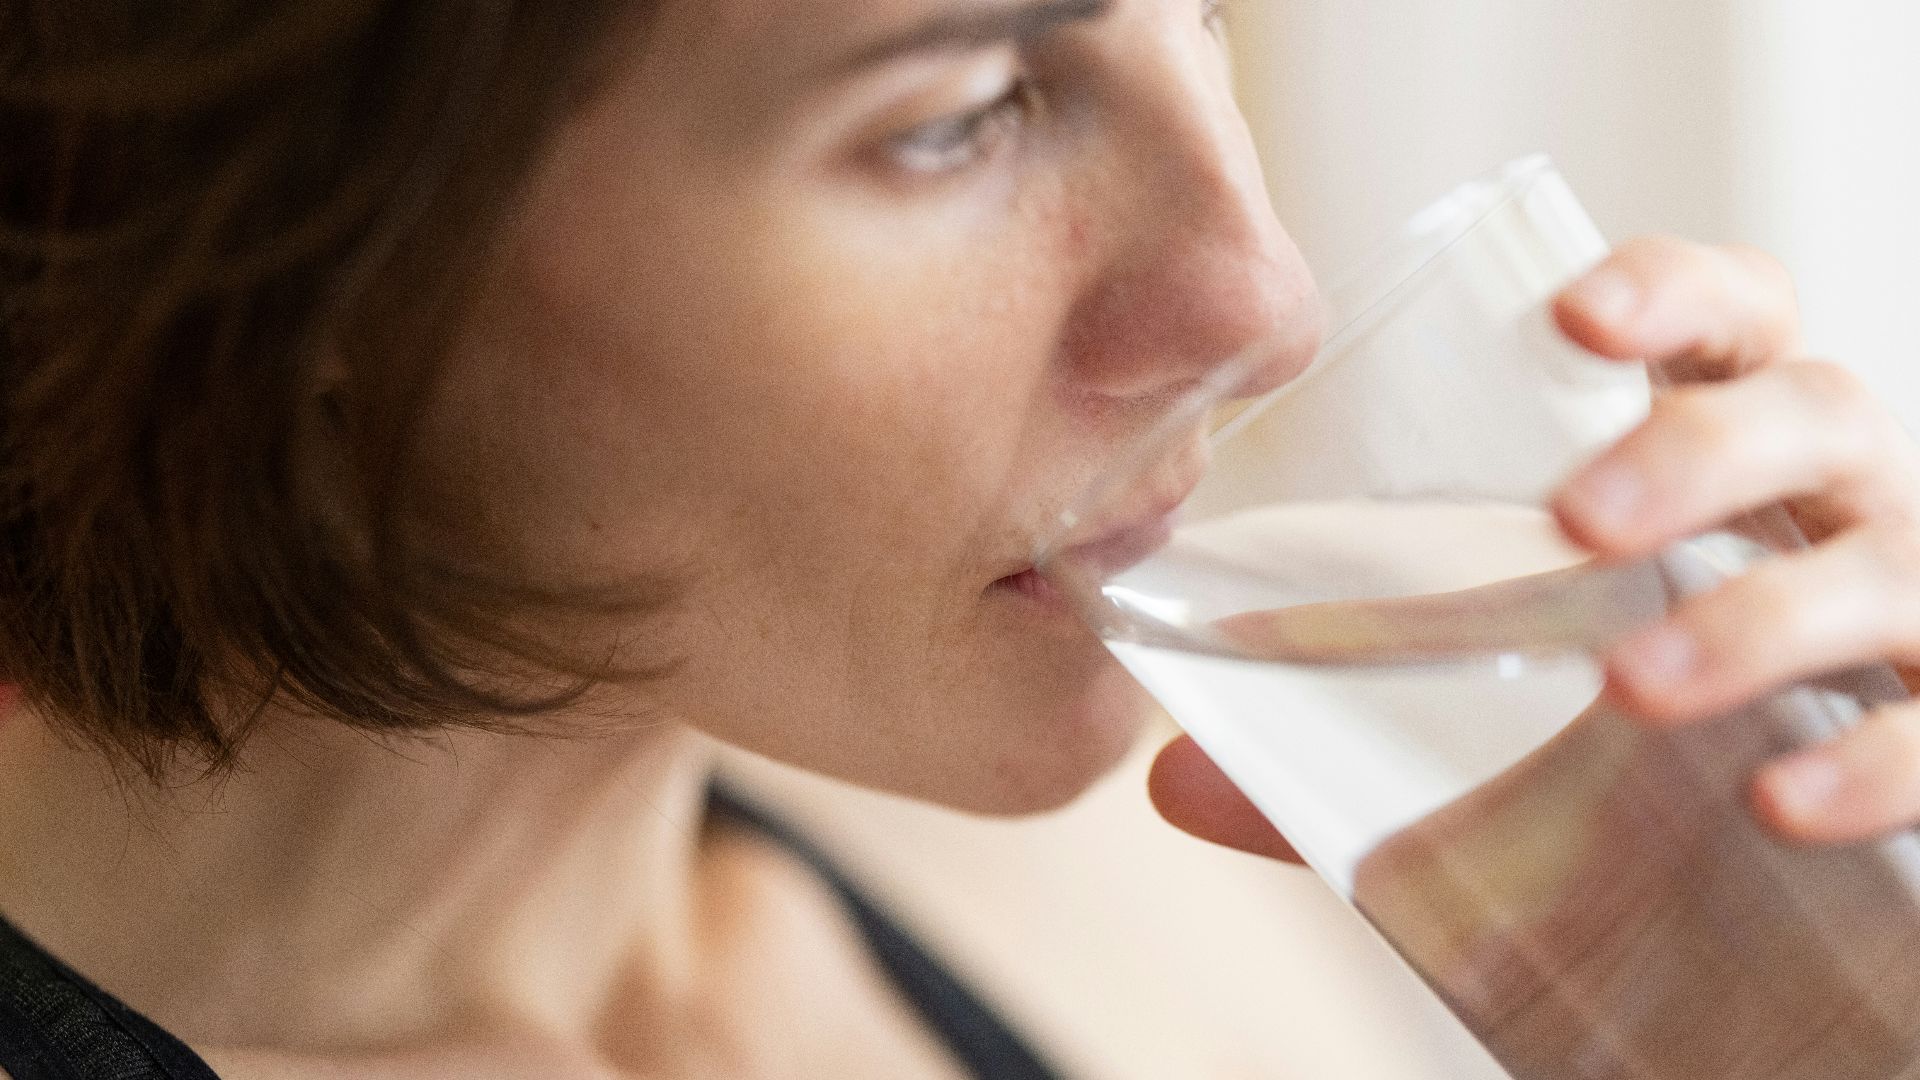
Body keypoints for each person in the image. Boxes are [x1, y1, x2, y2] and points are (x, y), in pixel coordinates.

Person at [4, 1, 1920, 1077]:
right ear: (299, 240)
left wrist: (1805, 1019)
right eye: (963, 114)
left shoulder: (1136, 877)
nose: (1261, 302)